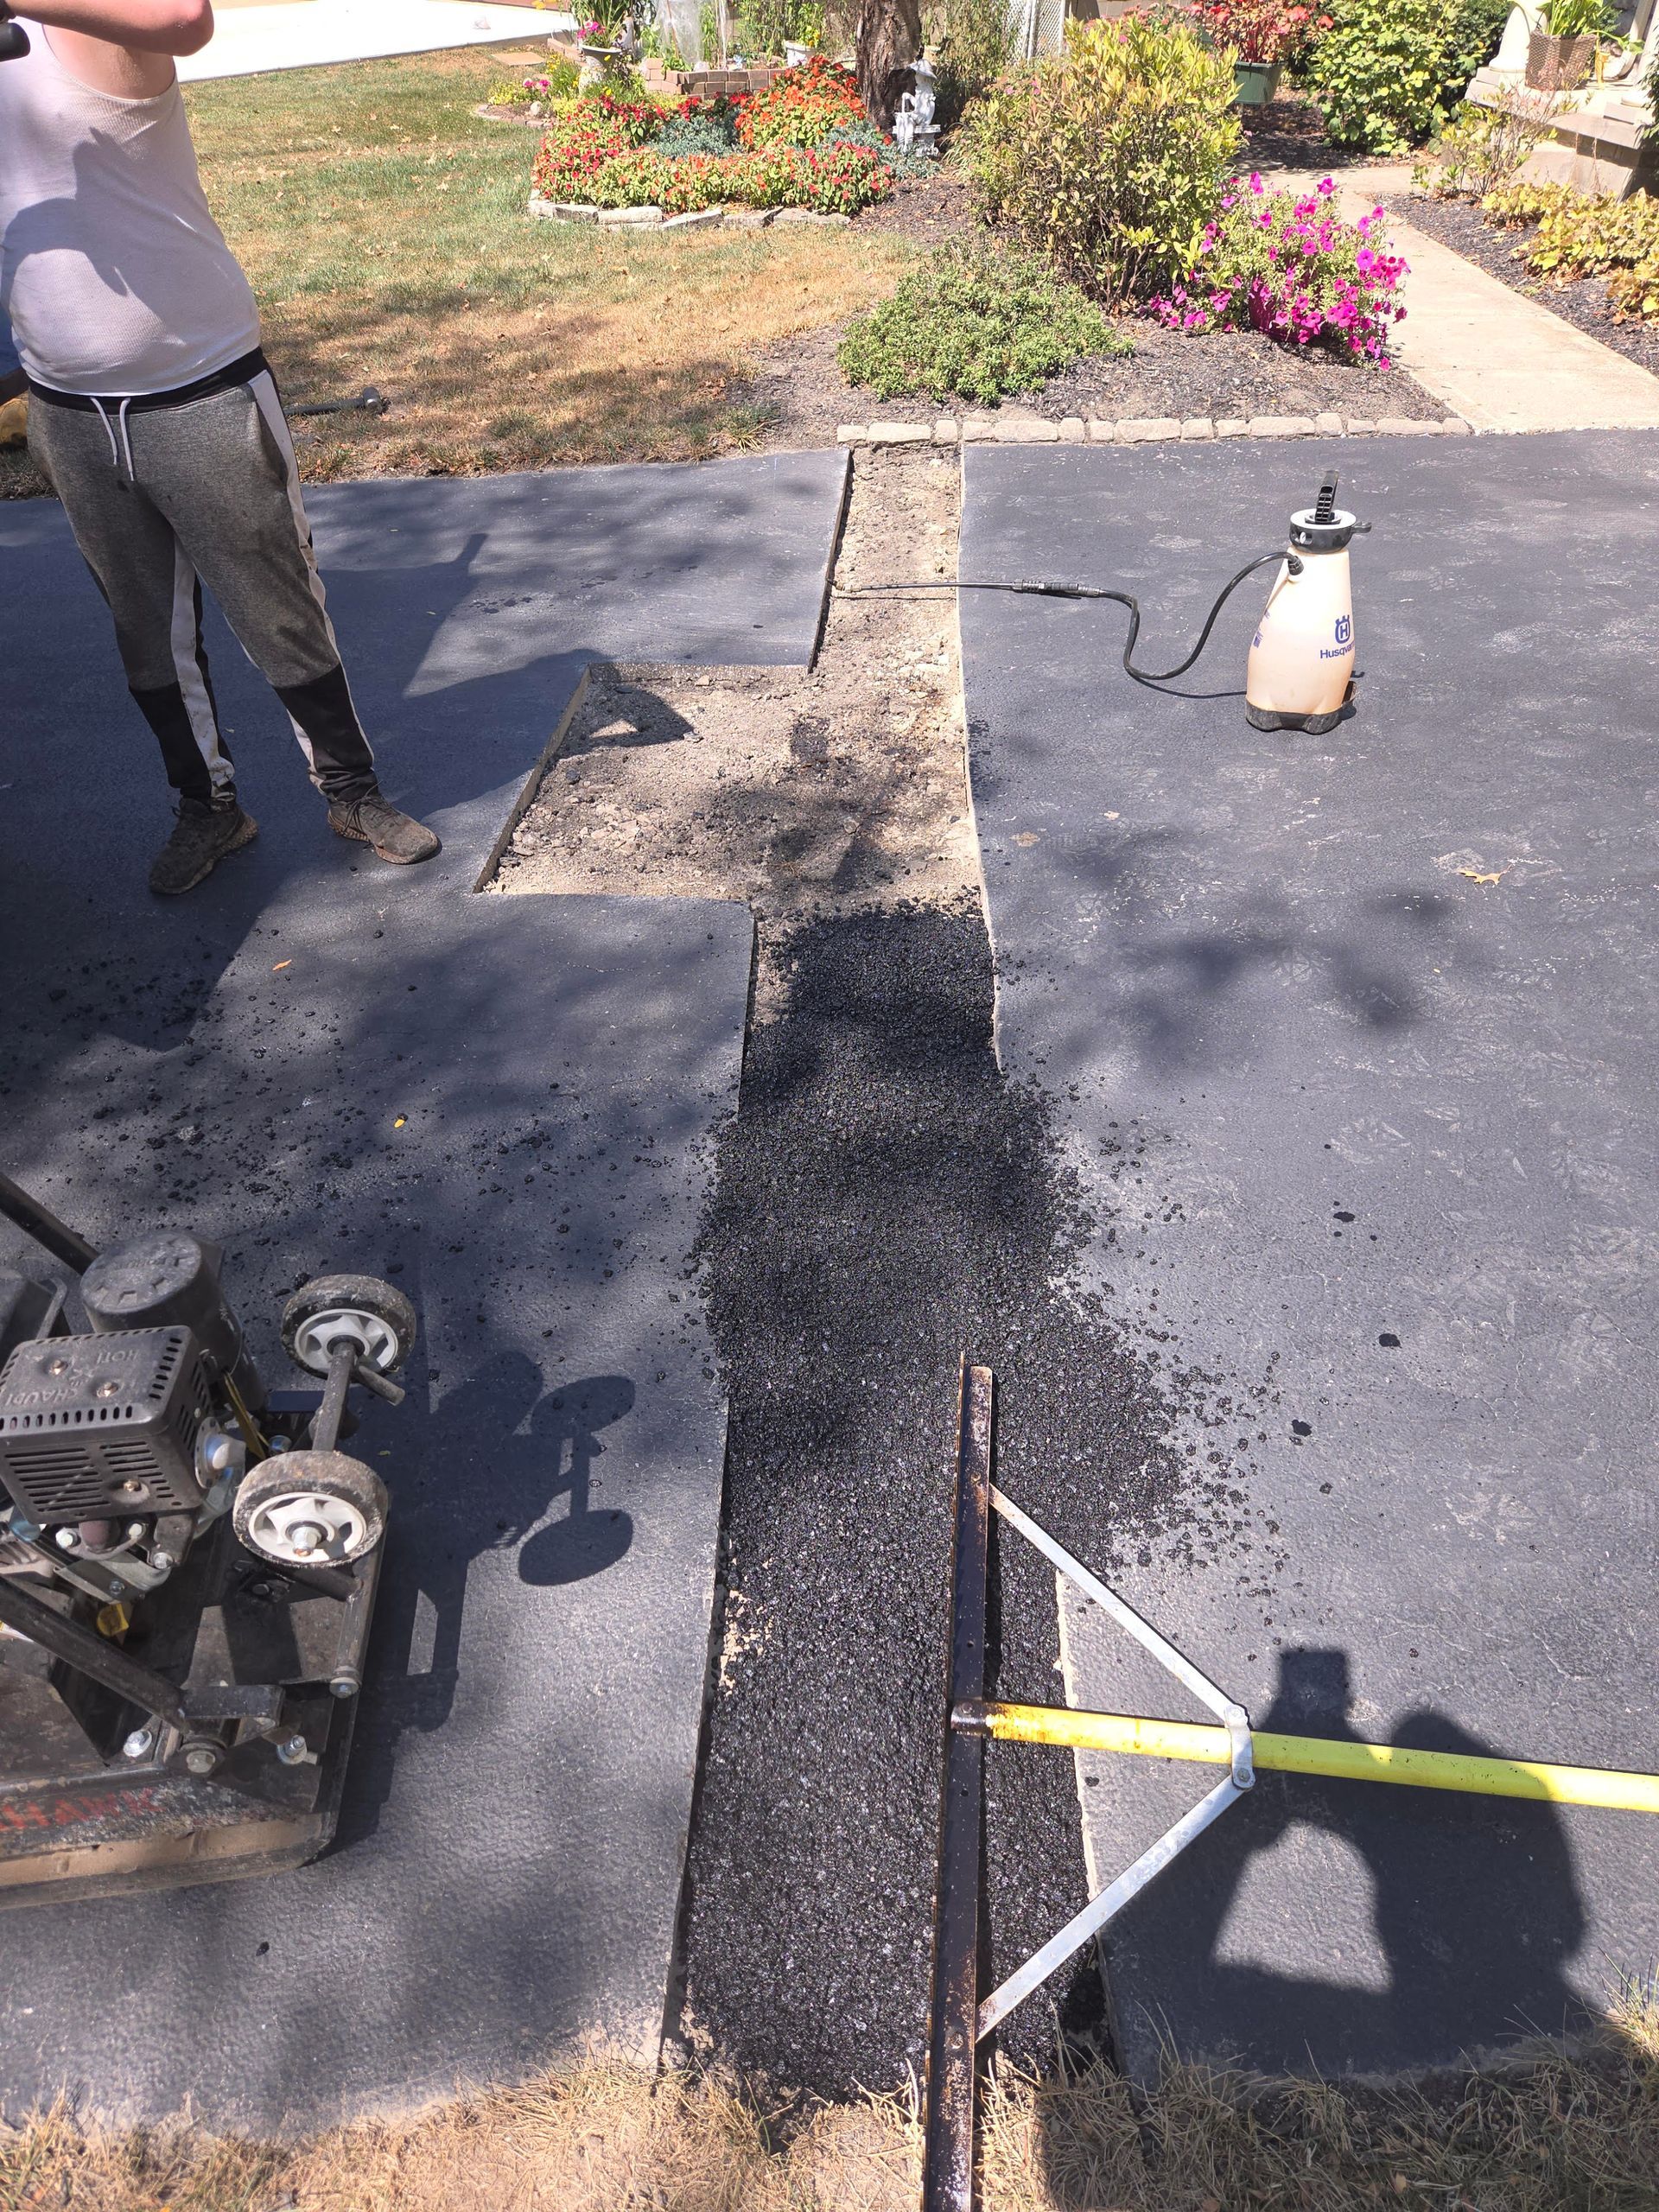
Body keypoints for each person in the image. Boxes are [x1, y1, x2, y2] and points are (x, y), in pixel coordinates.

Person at [0, 0, 442, 893]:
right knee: (147, 635)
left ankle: (351, 792)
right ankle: (209, 808)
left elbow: (182, 16)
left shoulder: (86, 23)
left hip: (199, 387)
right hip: (69, 408)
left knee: (278, 609)